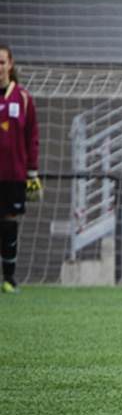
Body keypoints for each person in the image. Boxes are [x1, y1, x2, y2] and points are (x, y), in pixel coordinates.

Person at [0, 45, 41, 295]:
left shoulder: (23, 98)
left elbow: (32, 137)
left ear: (11, 64)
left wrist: (32, 172)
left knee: (8, 226)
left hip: (13, 175)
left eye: (2, 62)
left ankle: (9, 279)